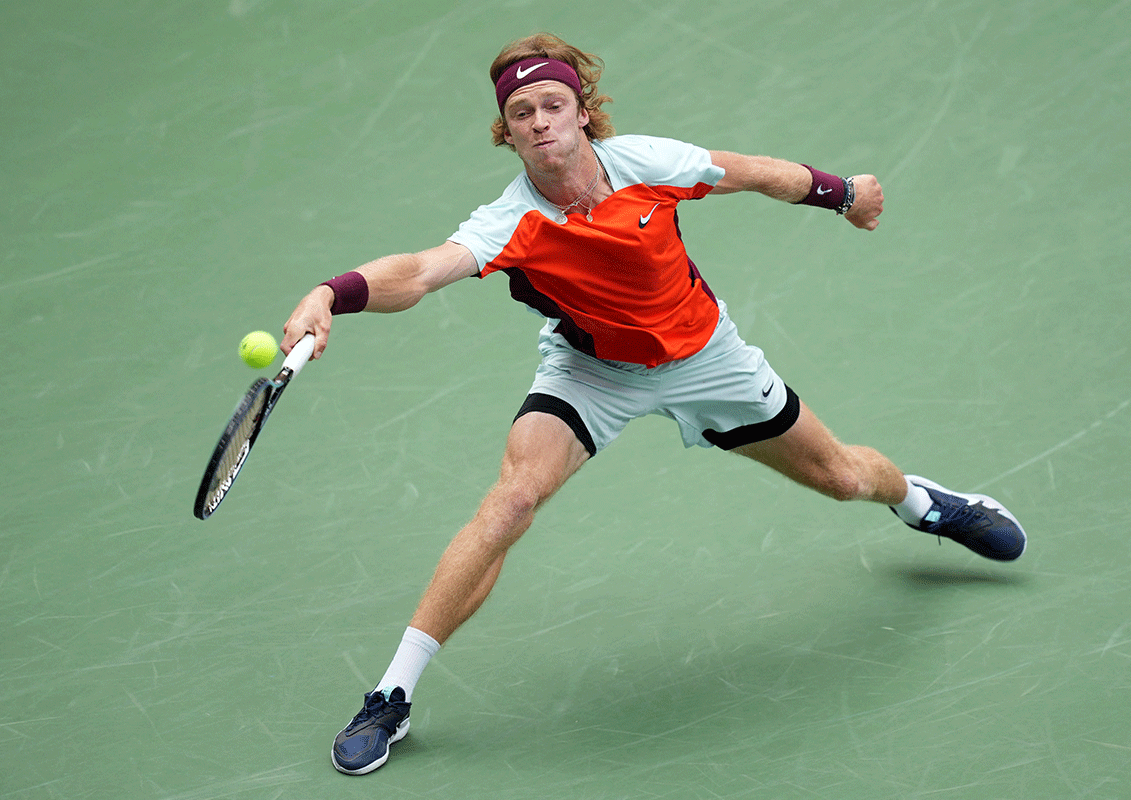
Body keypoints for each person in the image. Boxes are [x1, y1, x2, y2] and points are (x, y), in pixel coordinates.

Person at [280, 33, 1027, 776]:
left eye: (553, 104)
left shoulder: (646, 163)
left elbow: (756, 174)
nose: (540, 121)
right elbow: (417, 271)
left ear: (583, 114)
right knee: (510, 503)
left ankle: (925, 503)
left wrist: (845, 195)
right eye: (521, 112)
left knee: (842, 478)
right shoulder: (509, 221)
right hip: (592, 372)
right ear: (506, 133)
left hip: (707, 359)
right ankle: (392, 695)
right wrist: (329, 295)